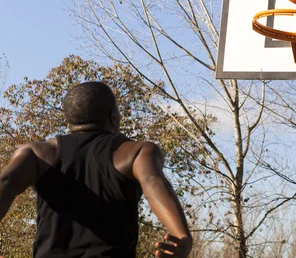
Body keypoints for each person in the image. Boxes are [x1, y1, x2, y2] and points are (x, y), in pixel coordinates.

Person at [0, 81, 192, 257]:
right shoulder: (135, 152)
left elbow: (6, 182)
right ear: (114, 116)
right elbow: (152, 181)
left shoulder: (37, 153)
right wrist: (182, 236)